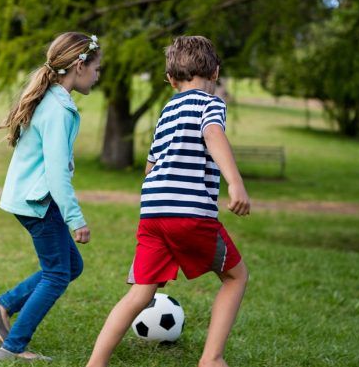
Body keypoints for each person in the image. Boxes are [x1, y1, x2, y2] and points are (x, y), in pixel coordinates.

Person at [86, 35, 251, 367]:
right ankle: (212, 359)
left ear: (170, 80)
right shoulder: (211, 103)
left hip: (152, 213)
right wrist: (235, 182)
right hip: (190, 214)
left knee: (141, 292)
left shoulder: (167, 110)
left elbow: (150, 165)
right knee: (236, 277)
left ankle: (95, 364)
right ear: (216, 73)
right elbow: (213, 134)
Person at [0, 32, 101, 363]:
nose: (98, 75)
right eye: (96, 68)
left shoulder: (50, 100)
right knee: (58, 273)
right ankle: (12, 347)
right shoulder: (59, 110)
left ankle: (3, 304)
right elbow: (57, 174)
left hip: (29, 198)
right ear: (79, 66)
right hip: (39, 202)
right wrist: (76, 218)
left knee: (70, 266)